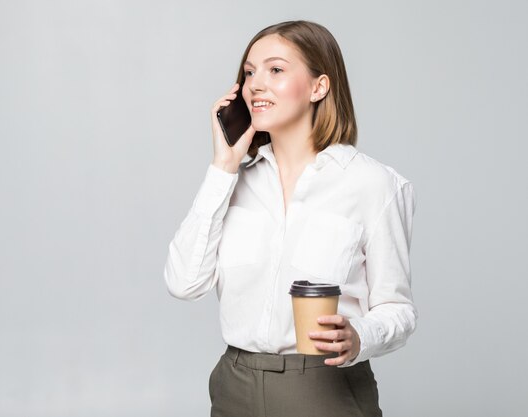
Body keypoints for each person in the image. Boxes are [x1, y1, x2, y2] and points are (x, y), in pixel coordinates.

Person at [163, 20, 416, 417]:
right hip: (235, 387)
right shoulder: (231, 184)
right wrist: (222, 166)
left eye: (275, 70)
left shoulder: (373, 184)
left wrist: (359, 336)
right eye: (249, 73)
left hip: (326, 388)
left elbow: (397, 308)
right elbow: (183, 283)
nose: (255, 85)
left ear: (319, 87)